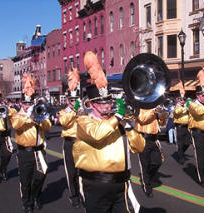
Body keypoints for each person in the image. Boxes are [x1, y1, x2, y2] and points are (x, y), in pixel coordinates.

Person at [73, 51, 145, 213]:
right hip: (96, 185)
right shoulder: (84, 121)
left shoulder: (119, 122)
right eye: (101, 103)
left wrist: (128, 126)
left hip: (122, 184)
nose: (106, 106)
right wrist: (118, 117)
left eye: (108, 101)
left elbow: (139, 148)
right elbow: (98, 134)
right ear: (91, 104)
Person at [10, 75, 52, 213]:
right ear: (22, 103)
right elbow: (15, 125)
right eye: (26, 104)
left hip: (39, 151)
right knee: (26, 179)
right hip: (25, 152)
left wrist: (39, 118)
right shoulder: (17, 115)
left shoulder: (39, 114)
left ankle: (35, 196)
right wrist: (28, 116)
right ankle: (27, 202)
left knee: (41, 175)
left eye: (30, 104)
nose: (28, 106)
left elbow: (48, 127)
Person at [58, 68, 81, 209]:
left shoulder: (82, 109)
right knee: (71, 172)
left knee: (83, 172)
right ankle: (74, 196)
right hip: (69, 144)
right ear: (68, 100)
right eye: (72, 100)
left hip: (82, 143)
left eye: (76, 99)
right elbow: (64, 122)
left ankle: (83, 194)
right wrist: (74, 110)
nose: (74, 102)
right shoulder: (63, 112)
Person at [188, 67, 204, 189]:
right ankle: (202, 178)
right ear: (197, 96)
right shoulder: (193, 104)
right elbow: (198, 112)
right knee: (200, 156)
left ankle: (203, 170)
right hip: (197, 133)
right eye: (203, 95)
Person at [135, 106, 167, 197]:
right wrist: (154, 111)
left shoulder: (154, 110)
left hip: (154, 139)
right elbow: (142, 119)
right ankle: (147, 187)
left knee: (158, 162)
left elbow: (162, 124)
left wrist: (161, 115)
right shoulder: (139, 107)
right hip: (143, 139)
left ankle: (147, 177)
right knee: (145, 164)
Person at [173, 88, 191, 165]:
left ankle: (181, 153)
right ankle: (181, 157)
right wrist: (185, 109)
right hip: (179, 127)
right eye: (181, 99)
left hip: (186, 127)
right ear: (178, 100)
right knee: (180, 143)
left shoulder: (185, 107)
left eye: (184, 99)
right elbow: (177, 112)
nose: (183, 101)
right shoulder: (177, 107)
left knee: (187, 143)